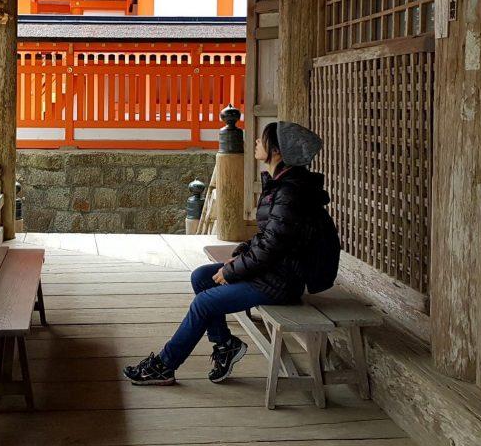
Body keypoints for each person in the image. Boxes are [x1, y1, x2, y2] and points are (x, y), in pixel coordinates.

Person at [123, 121, 328, 385]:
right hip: (272, 271)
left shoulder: (290, 193)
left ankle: (165, 364)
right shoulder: (282, 185)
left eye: (262, 140)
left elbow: (271, 249)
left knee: (204, 301)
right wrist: (239, 255)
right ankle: (225, 344)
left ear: (276, 151)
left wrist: (231, 270)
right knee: (201, 277)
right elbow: (267, 238)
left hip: (280, 281)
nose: (255, 143)